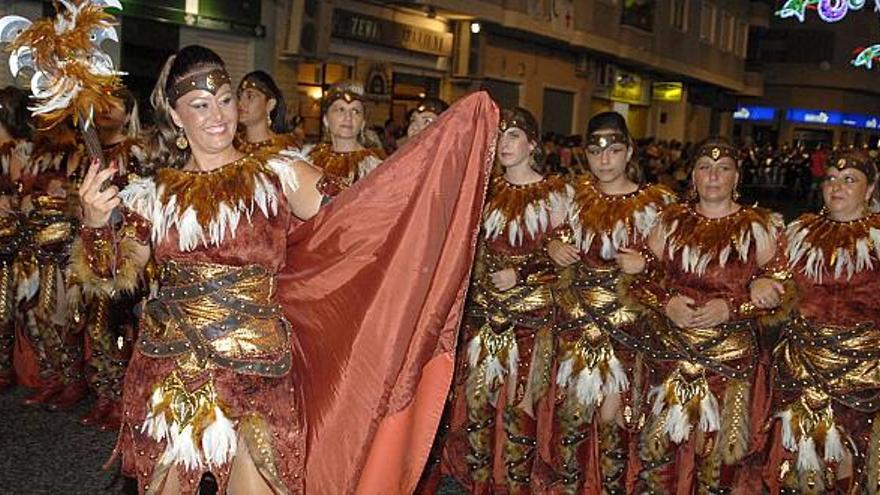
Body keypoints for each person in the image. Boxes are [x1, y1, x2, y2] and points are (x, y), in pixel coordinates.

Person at [75, 45, 498, 494]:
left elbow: (360, 217)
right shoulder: (153, 194)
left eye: (224, 98)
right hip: (170, 371)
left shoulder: (279, 174)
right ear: (177, 117)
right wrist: (96, 224)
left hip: (257, 371)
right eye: (200, 105)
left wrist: (434, 161)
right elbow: (115, 274)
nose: (217, 114)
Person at [626, 137, 792, 493]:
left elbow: (782, 289)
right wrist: (666, 302)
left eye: (723, 169)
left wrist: (733, 307)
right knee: (661, 464)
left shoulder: (758, 226)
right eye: (705, 167)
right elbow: (637, 277)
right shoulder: (670, 221)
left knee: (716, 466)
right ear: (693, 176)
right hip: (669, 360)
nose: (713, 176)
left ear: (737, 177)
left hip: (728, 367)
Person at [545, 111, 676, 493]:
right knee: (572, 417)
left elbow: (678, 267)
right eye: (596, 151)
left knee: (614, 420)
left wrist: (646, 263)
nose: (605, 160)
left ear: (629, 152)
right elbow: (546, 241)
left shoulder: (655, 203)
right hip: (575, 325)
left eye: (614, 150)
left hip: (627, 331)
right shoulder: (572, 198)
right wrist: (552, 245)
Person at [439, 107, 569, 493]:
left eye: (514, 135)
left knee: (519, 413)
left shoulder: (556, 195)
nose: (504, 144)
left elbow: (570, 262)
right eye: (500, 135)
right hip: (484, 319)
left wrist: (524, 272)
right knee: (478, 409)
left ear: (533, 144)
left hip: (532, 325)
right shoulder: (483, 191)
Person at [764, 150, 880, 493]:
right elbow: (776, 278)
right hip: (800, 364)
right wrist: (763, 285)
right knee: (797, 452)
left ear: (870, 189)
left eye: (850, 180)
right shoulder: (800, 231)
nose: (837, 187)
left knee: (847, 452)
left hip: (860, 371)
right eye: (831, 179)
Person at [74, 88, 149, 429]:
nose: (106, 110)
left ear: (130, 111)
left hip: (133, 251)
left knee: (124, 327)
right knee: (97, 323)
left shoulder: (137, 152)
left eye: (114, 105)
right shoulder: (90, 154)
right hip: (98, 247)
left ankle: (122, 398)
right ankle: (105, 394)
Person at [0, 85, 31, 393]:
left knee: (8, 305)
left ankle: (6, 367)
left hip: (13, 238)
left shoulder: (20, 150)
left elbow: (21, 194)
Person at [305, 81, 384, 198]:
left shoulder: (374, 166)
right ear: (326, 120)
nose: (348, 117)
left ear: (362, 123)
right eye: (340, 110)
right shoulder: (309, 159)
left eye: (355, 111)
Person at [235, 70, 300, 156]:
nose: (240, 103)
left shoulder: (283, 151)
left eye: (250, 96)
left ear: (270, 104)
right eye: (239, 96)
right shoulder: (233, 145)